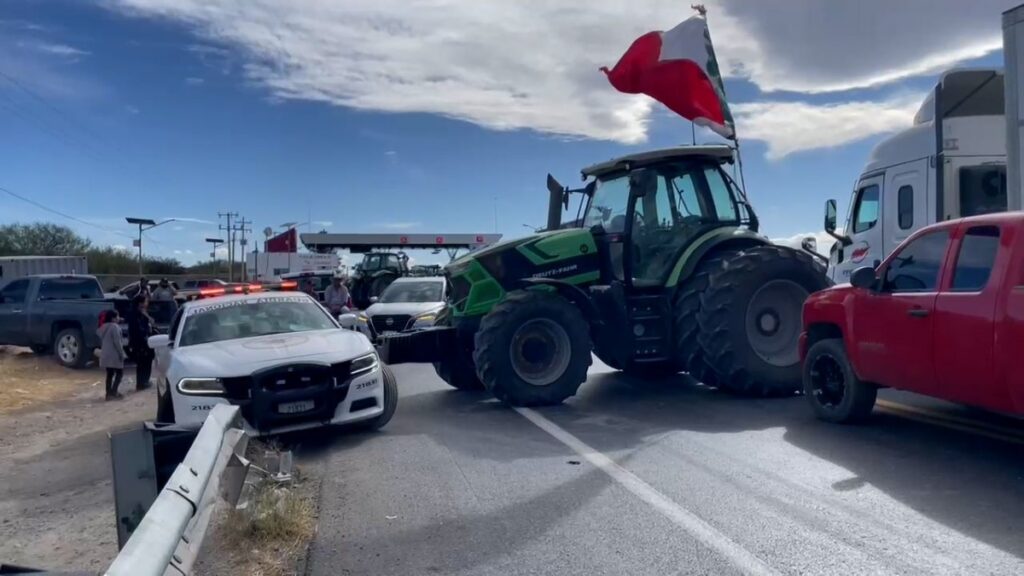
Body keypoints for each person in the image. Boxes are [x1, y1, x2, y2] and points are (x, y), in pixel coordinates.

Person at [97, 309, 127, 400]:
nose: (119, 318)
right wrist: (122, 354)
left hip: (105, 354)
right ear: (113, 318)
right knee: (119, 373)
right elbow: (117, 342)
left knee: (109, 374)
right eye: (117, 316)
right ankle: (114, 392)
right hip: (114, 354)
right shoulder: (114, 327)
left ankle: (108, 394)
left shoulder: (103, 327)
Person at [128, 296, 155, 391]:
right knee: (142, 363)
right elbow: (138, 330)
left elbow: (151, 322)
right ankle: (141, 383)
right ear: (140, 303)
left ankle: (144, 381)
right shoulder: (135, 315)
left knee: (147, 362)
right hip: (140, 343)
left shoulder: (143, 313)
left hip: (144, 341)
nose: (147, 303)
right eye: (145, 301)